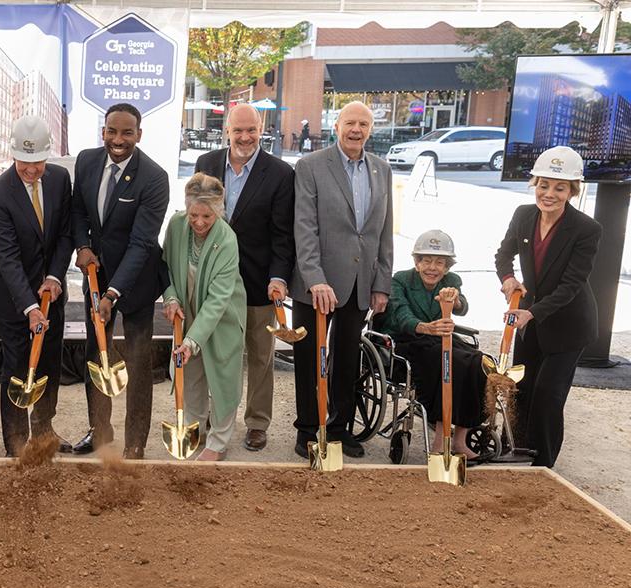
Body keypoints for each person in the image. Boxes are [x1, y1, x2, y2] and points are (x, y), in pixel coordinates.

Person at [291, 100, 393, 460]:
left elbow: (384, 231)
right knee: (309, 357)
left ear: (370, 130)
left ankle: (339, 429)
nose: (356, 130)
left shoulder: (382, 170)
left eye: (363, 124)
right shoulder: (311, 166)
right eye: (350, 122)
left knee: (348, 358)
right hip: (316, 284)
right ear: (336, 126)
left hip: (359, 282)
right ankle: (308, 429)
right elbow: (304, 227)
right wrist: (314, 278)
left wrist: (382, 283)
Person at [195, 103, 295, 452]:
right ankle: (218, 416)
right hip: (214, 282)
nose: (245, 137)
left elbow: (283, 235)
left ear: (261, 129)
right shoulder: (206, 164)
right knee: (218, 356)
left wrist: (279, 278)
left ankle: (256, 422)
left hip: (258, 282)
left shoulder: (280, 173)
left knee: (260, 357)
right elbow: (197, 220)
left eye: (251, 130)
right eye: (238, 130)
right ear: (227, 131)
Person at [71, 103, 169, 460]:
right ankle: (99, 430)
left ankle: (135, 442)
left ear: (139, 135)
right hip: (95, 276)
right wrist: (82, 246)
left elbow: (142, 242)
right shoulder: (86, 161)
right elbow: (78, 211)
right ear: (103, 131)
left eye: (127, 132)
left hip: (137, 282)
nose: (118, 139)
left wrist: (113, 293)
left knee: (138, 362)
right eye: (112, 131)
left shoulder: (154, 177)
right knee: (97, 354)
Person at [494, 146, 600, 469]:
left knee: (548, 395)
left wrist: (532, 312)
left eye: (559, 187)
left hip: (569, 325)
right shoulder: (523, 215)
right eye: (543, 185)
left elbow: (571, 285)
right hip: (531, 321)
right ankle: (516, 450)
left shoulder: (586, 229)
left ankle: (542, 464)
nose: (549, 194)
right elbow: (503, 254)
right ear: (534, 184)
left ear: (572, 191)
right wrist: (508, 279)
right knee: (522, 389)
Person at [0, 115, 74, 457]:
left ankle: (44, 432)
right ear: (13, 155)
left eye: (38, 162)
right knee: (17, 367)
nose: (32, 169)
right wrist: (30, 307)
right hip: (14, 300)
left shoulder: (60, 180)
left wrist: (54, 277)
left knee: (49, 364)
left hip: (51, 292)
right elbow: (7, 257)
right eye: (25, 162)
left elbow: (64, 234)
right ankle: (16, 442)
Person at [378, 230, 485, 461]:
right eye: (426, 261)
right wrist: (425, 327)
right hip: (407, 339)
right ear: (417, 263)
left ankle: (460, 439)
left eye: (439, 263)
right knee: (450, 362)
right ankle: (439, 441)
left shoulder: (451, 281)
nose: (432, 268)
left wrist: (455, 301)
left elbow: (462, 306)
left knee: (477, 361)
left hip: (438, 338)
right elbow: (401, 314)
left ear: (446, 268)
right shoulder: (400, 280)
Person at [161, 174, 247, 460]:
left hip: (222, 317)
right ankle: (193, 429)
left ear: (219, 211)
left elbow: (218, 299)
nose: (199, 222)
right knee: (190, 374)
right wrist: (171, 297)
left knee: (223, 376)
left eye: (207, 216)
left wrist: (192, 340)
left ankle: (218, 442)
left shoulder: (227, 239)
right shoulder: (176, 225)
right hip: (186, 311)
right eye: (194, 215)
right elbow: (166, 268)